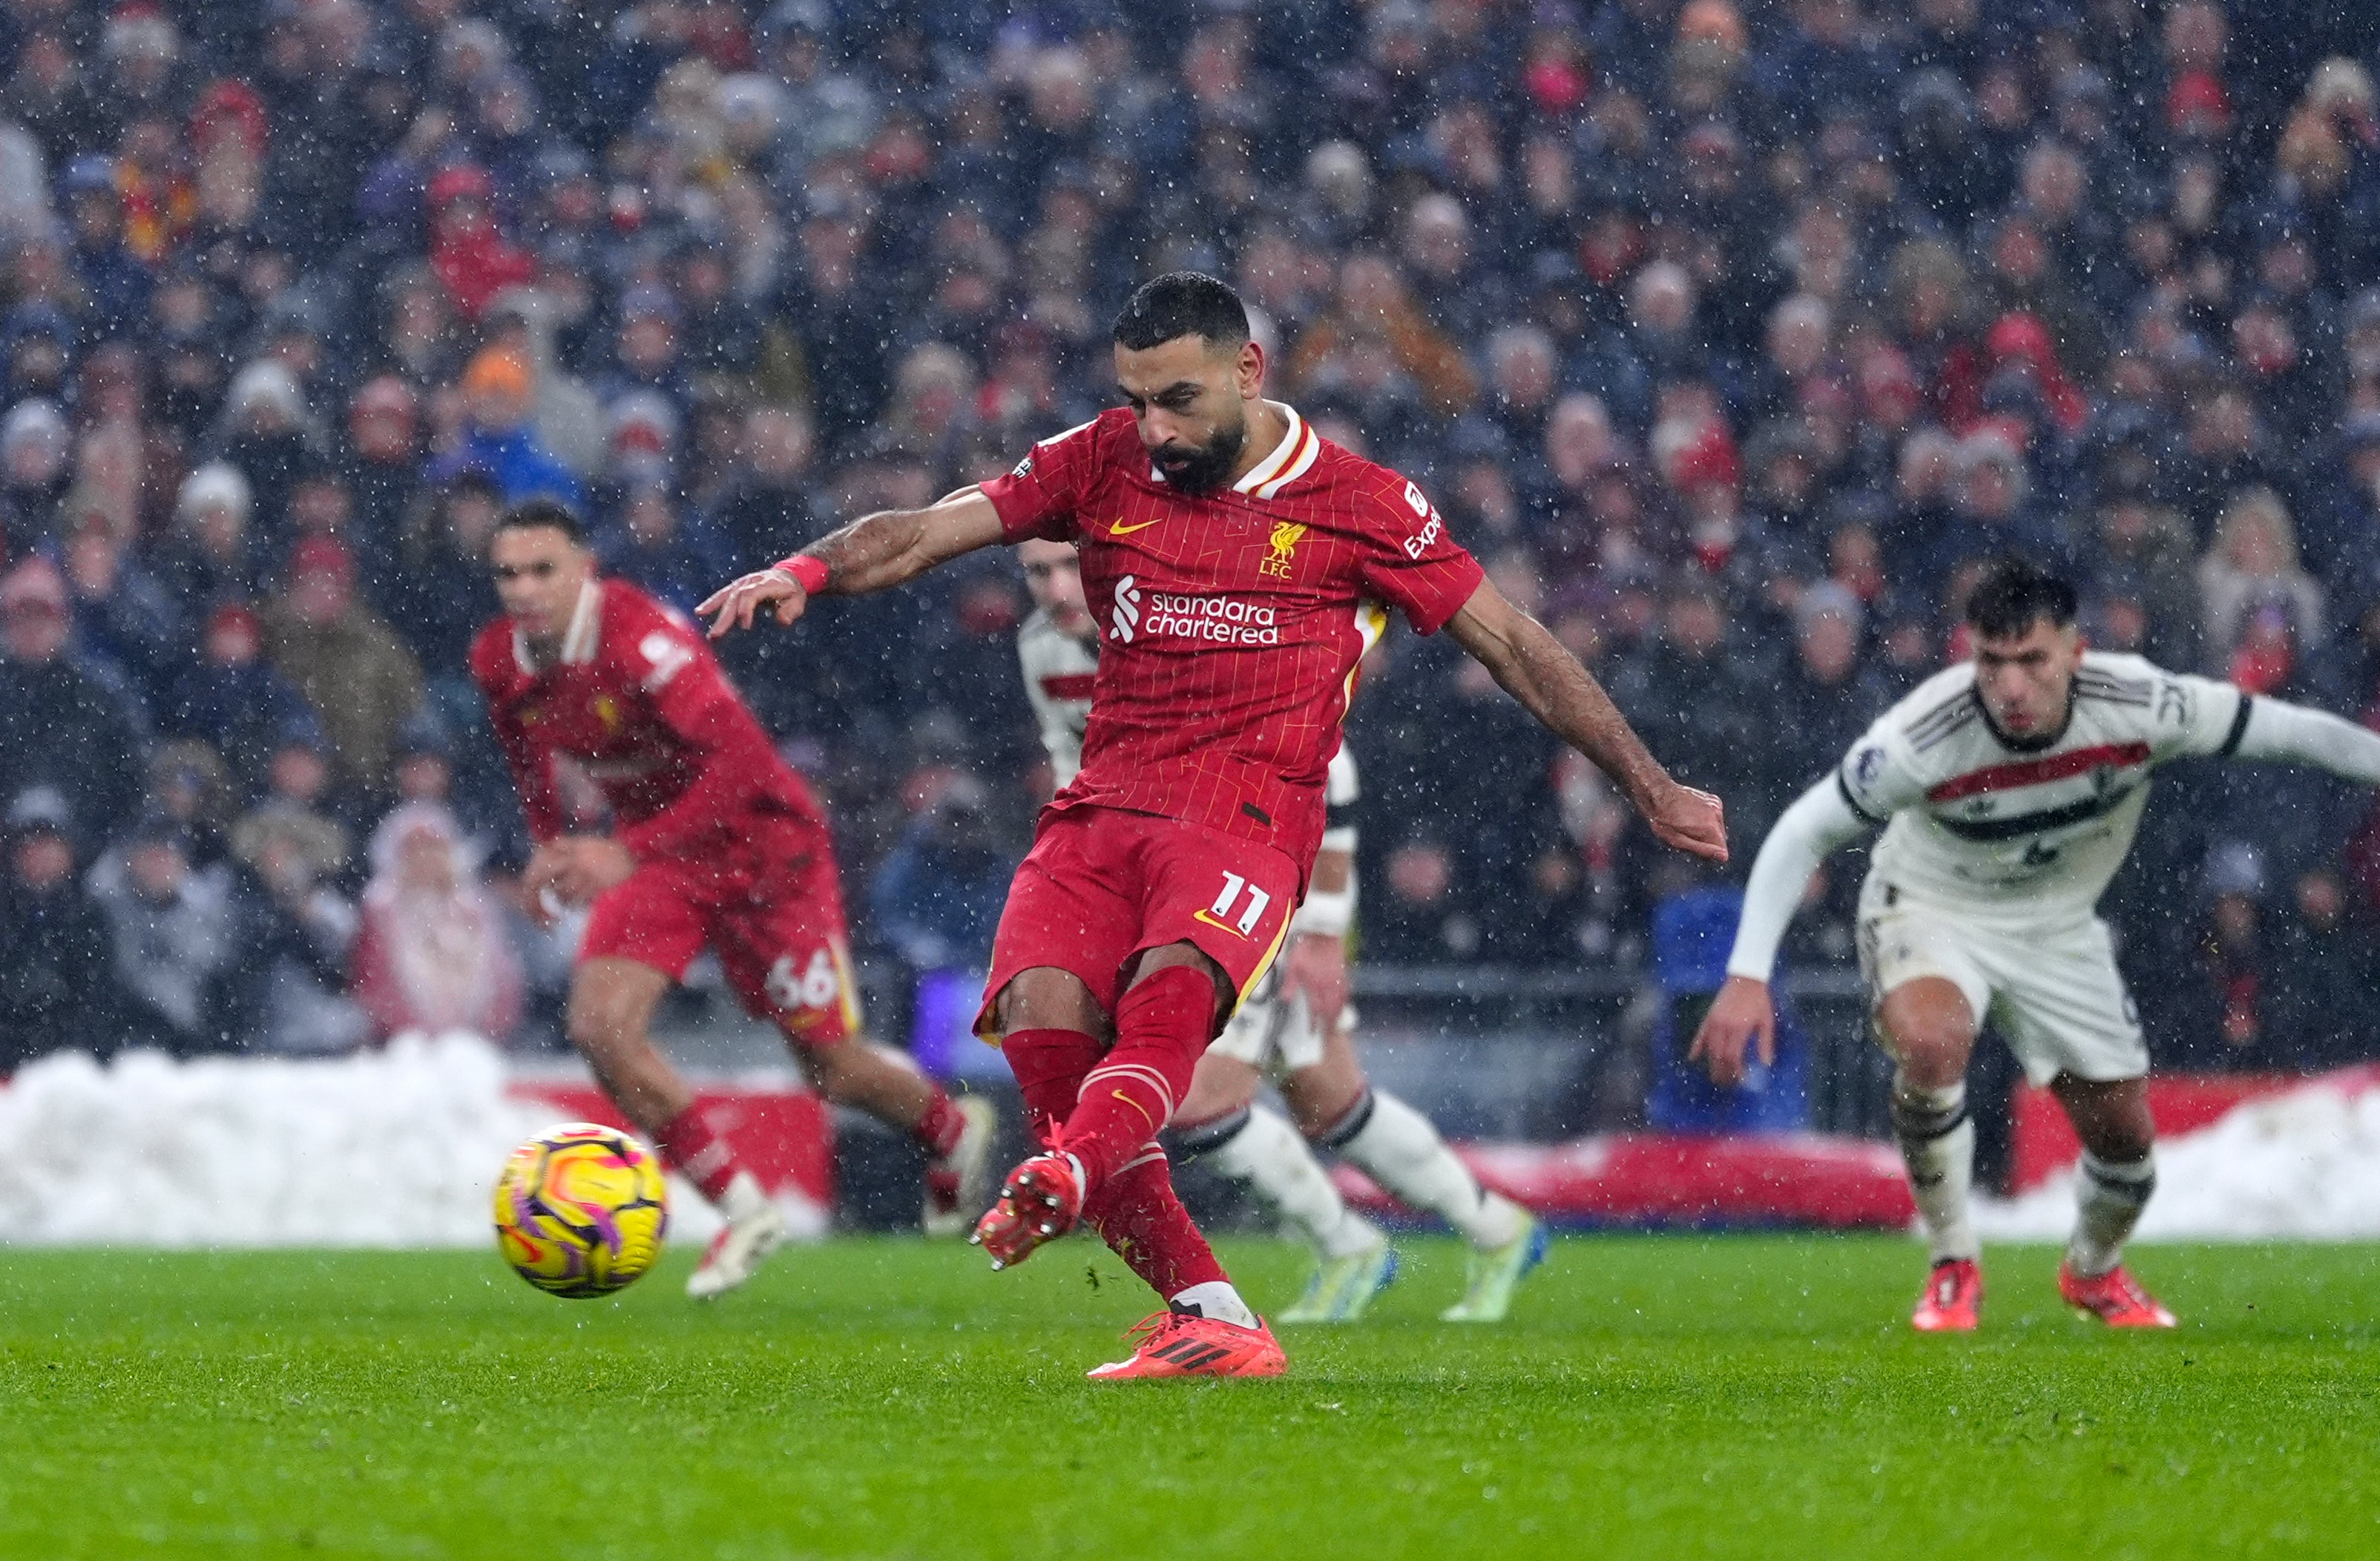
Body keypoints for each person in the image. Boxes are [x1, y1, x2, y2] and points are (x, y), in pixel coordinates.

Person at [703, 273, 1725, 1378]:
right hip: (1100, 808)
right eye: (1137, 400)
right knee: (1044, 1035)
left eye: (1178, 399)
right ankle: (1214, 1313)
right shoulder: (1101, 458)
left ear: (1249, 371)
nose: (1156, 428)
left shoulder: (1362, 502)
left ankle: (1072, 1183)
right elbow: (927, 531)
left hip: (1241, 818)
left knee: (1176, 1028)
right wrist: (805, 568)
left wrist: (1647, 782)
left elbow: (1515, 645)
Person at [1692, 555, 2380, 1332]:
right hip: (1930, 906)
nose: (2010, 686)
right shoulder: (1926, 732)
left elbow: (2289, 732)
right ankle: (1952, 1263)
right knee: (1932, 1041)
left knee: (2126, 1149)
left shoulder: (2140, 702)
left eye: (2031, 661)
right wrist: (1748, 972)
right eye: (1991, 661)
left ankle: (2092, 1271)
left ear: (2075, 653)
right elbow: (1804, 828)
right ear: (1969, 653)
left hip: (2057, 929)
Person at [1014, 535, 1545, 1325]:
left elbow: (1331, 766)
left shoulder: (1187, 630)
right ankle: (1496, 1228)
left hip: (1255, 870)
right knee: (1327, 1092)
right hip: (1164, 877)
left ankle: (1346, 1244)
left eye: (1071, 566)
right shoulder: (1041, 648)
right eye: (1037, 571)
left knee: (1193, 1101)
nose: (1058, 587)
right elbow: (1073, 761)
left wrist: (1325, 932)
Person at [471, 499, 995, 1298]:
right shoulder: (498, 660)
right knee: (600, 1028)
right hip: (664, 860)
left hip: (763, 852)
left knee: (833, 1069)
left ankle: (950, 1131)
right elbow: (522, 747)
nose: (523, 589)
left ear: (584, 572)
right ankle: (744, 1209)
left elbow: (742, 769)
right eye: (508, 572)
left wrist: (622, 848)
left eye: (543, 569)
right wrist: (548, 839)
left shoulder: (642, 641)